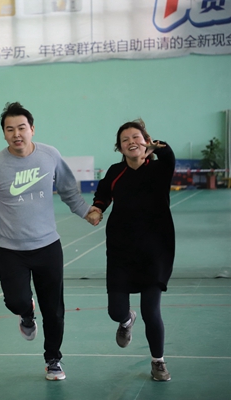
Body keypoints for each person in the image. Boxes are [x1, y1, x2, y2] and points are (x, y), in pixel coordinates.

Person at [0, 102, 101, 381]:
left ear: (32, 129)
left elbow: (68, 190)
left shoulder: (50, 155)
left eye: (21, 128)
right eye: (10, 129)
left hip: (47, 247)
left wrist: (86, 212)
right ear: (4, 133)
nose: (16, 134)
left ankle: (53, 359)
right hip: (11, 250)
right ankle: (25, 313)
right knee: (16, 301)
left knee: (54, 311)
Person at [89, 119, 175, 381]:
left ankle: (158, 361)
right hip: (121, 250)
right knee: (115, 311)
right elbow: (103, 194)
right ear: (119, 147)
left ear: (146, 140)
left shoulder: (160, 169)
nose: (131, 142)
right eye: (125, 139)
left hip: (155, 250)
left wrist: (155, 146)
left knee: (151, 311)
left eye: (136, 137)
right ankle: (126, 320)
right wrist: (97, 208)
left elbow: (168, 155)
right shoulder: (116, 171)